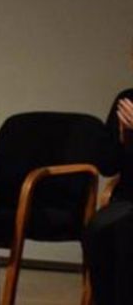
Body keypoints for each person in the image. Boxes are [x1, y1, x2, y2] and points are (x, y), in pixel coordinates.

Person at [83, 39, 133, 305]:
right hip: (127, 197)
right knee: (100, 227)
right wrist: (124, 139)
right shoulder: (127, 100)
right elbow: (107, 165)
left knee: (127, 229)